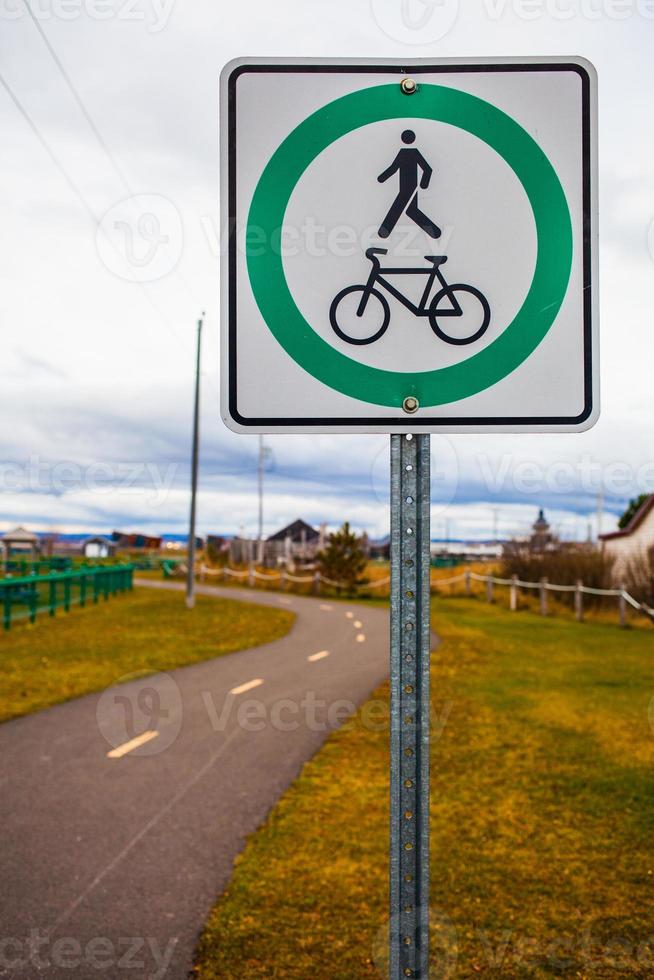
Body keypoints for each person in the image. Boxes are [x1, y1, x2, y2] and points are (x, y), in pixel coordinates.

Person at [377, 129, 441, 239]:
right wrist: (382, 178)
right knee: (411, 211)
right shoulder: (410, 153)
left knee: (399, 207)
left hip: (409, 188)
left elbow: (394, 168)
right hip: (408, 187)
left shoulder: (407, 153)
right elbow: (427, 169)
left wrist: (423, 184)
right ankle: (435, 232)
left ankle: (384, 231)